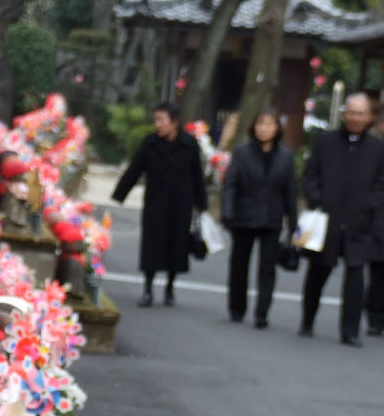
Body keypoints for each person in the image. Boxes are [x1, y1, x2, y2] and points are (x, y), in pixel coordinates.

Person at [300, 93, 384, 347]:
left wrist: (369, 206)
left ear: (369, 117)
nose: (355, 118)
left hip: (359, 222)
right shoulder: (324, 141)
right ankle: (307, 320)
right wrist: (318, 199)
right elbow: (311, 175)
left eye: (361, 113)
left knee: (355, 278)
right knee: (318, 272)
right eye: (351, 112)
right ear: (344, 113)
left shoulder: (378, 148)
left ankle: (350, 331)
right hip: (326, 220)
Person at [112, 101, 207, 307]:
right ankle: (148, 289)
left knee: (177, 246)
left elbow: (197, 176)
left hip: (180, 204)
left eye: (162, 120)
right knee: (151, 246)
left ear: (174, 122)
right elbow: (135, 169)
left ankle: (170, 288)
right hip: (156, 202)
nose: (158, 124)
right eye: (156, 120)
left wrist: (201, 203)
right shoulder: (150, 143)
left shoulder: (189, 144)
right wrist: (120, 194)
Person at [220, 109, 297, 329]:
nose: (264, 129)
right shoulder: (243, 152)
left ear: (277, 129)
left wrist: (293, 224)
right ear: (254, 127)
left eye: (269, 124)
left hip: (272, 218)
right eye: (260, 124)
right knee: (239, 264)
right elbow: (230, 184)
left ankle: (262, 312)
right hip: (244, 216)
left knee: (267, 268)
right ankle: (236, 308)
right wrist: (228, 212)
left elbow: (290, 190)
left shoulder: (285, 156)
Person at [365, 104, 384, 335]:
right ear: (381, 124)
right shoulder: (374, 151)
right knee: (379, 272)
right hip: (379, 219)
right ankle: (376, 317)